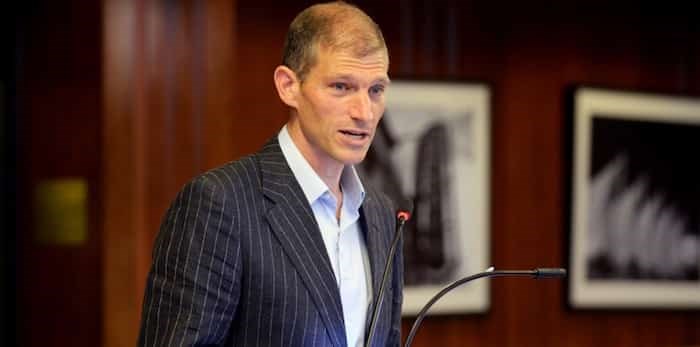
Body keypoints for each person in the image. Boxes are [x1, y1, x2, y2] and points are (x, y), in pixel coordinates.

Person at [137, 2, 403, 346]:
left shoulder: (382, 214)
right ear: (288, 86)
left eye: (376, 90)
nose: (364, 112)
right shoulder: (219, 203)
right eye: (341, 86)